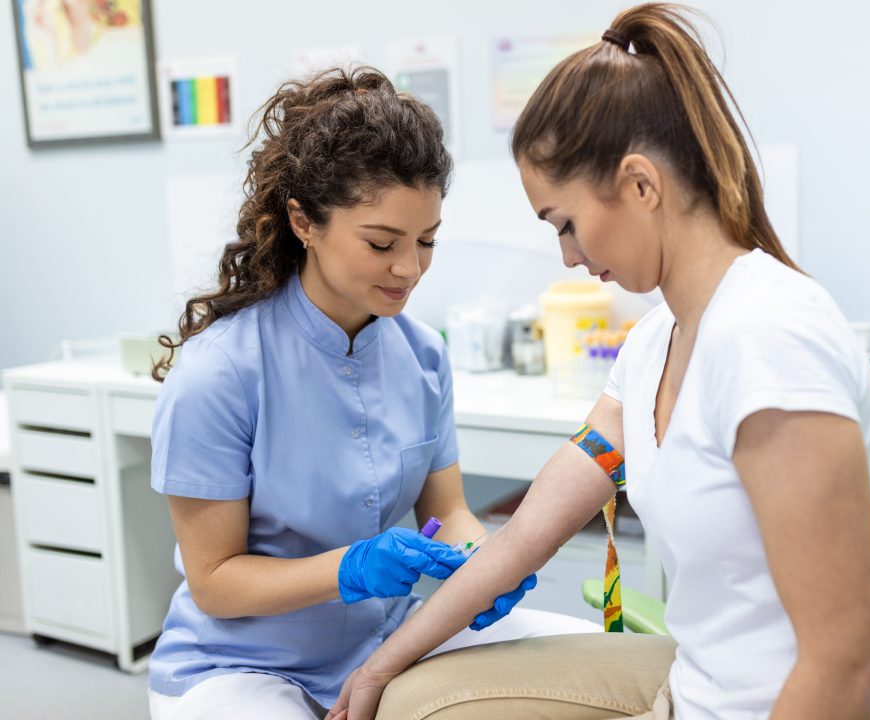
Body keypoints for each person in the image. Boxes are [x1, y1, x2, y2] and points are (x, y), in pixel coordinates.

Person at [328, 5, 870, 719]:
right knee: (405, 698)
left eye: (568, 224)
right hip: (692, 694)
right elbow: (522, 539)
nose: (569, 257)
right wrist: (376, 669)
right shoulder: (653, 347)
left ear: (642, 185)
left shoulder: (769, 341)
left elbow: (855, 663)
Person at [145, 67, 597, 720]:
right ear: (304, 220)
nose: (409, 268)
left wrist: (481, 563)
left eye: (427, 241)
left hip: (387, 641)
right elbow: (214, 583)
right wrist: (349, 568)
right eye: (382, 243)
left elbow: (450, 511)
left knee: (586, 662)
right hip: (238, 667)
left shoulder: (422, 355)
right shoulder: (220, 372)